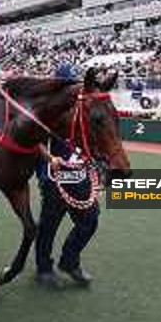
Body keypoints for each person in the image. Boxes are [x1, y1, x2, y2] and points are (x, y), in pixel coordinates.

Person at [34, 63, 99, 288]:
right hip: (54, 176)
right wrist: (50, 158)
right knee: (49, 225)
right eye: (68, 84)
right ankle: (43, 268)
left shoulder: (83, 109)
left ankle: (69, 261)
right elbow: (36, 142)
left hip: (79, 174)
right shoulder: (46, 111)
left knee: (90, 219)